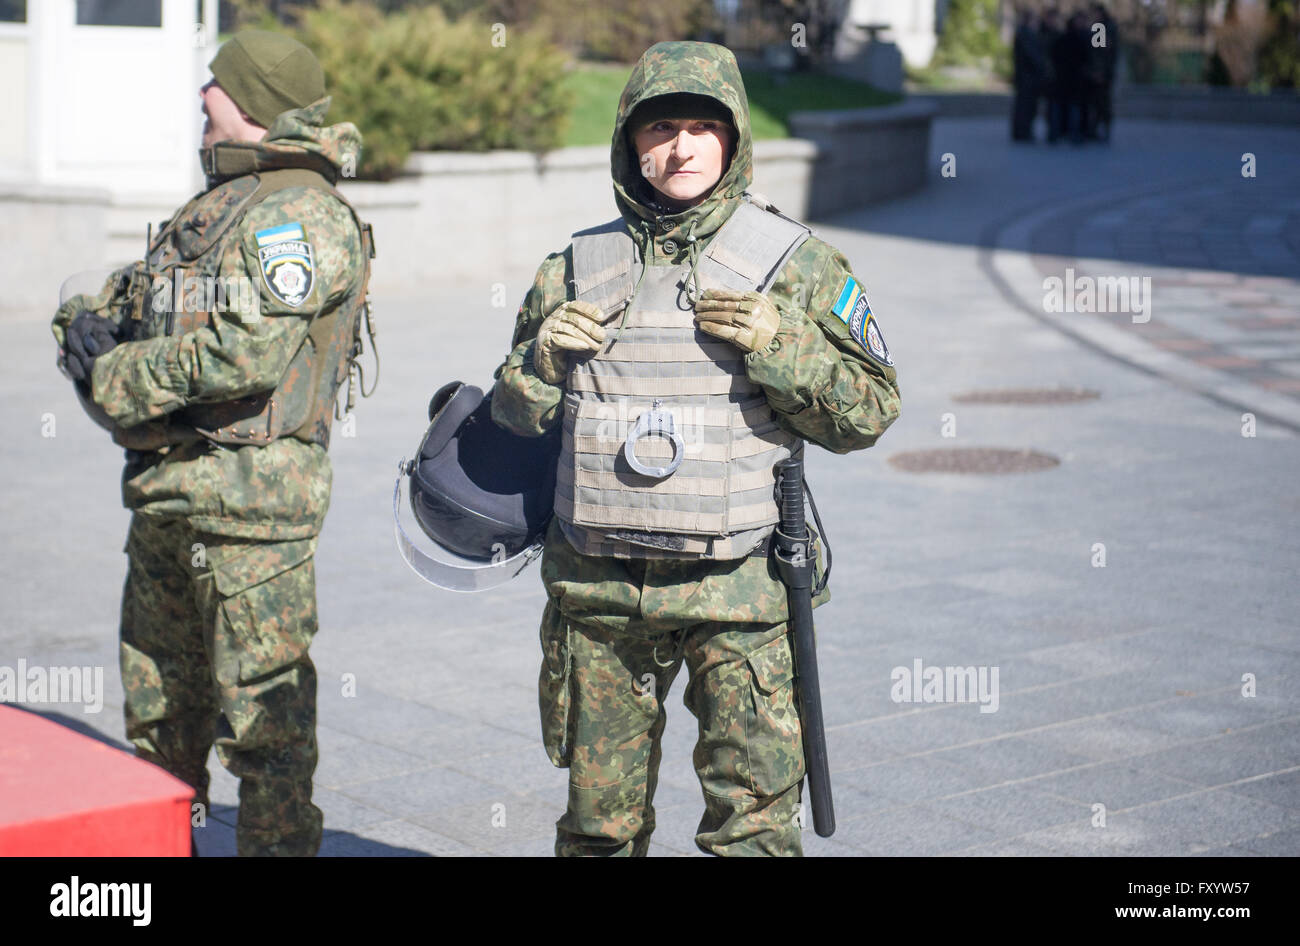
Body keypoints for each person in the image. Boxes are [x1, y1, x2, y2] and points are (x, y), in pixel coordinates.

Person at [490, 41, 901, 857]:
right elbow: (512, 418)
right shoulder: (571, 269)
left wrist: (783, 344)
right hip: (601, 598)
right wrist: (539, 366)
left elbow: (870, 412)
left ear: (735, 138)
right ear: (629, 140)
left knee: (751, 833)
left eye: (702, 129)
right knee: (599, 832)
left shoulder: (797, 267)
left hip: (740, 597)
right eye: (660, 128)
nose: (679, 150)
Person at [51, 30, 373, 856]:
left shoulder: (298, 213)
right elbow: (128, 297)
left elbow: (245, 351)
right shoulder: (217, 204)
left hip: (250, 515)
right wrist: (81, 326)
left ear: (251, 105)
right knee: (160, 716)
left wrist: (115, 377)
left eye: (214, 86)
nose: (200, 98)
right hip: (167, 496)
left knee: (264, 735)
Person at [1012, 8, 1046, 141]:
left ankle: (1023, 131)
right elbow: (1031, 56)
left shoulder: (1025, 33)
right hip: (1027, 77)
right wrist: (1041, 66)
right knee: (1025, 106)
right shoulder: (1025, 34)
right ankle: (1022, 132)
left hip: (1027, 76)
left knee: (1026, 106)